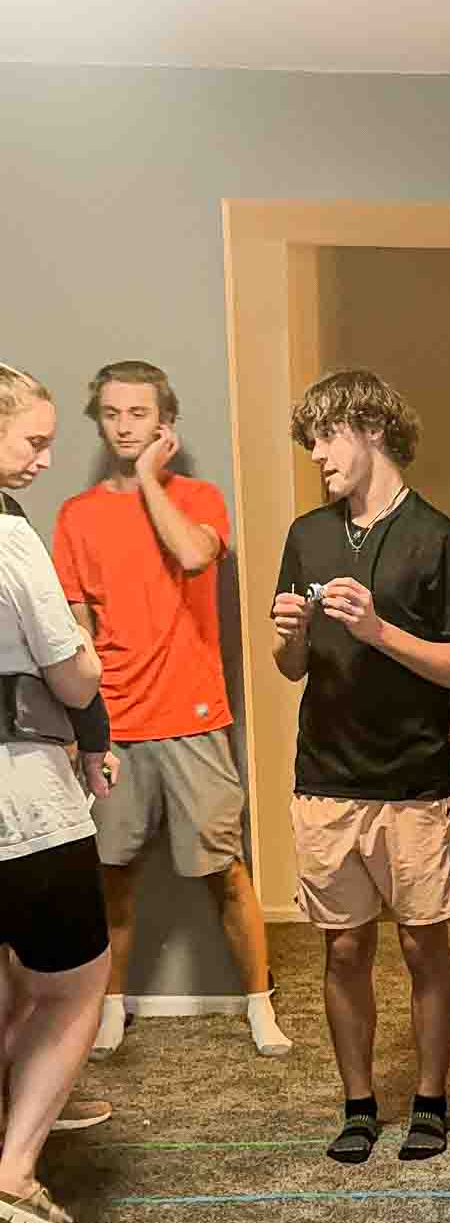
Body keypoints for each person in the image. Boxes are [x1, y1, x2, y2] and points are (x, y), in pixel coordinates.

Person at [273, 368, 450, 1164]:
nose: (318, 455)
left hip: (412, 783)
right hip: (324, 778)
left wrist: (382, 630)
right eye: (311, 442)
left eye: (326, 437)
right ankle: (358, 1102)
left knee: (424, 947)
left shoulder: (443, 539)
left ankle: (430, 1099)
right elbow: (289, 665)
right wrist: (290, 633)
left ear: (369, 428)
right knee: (341, 949)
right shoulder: (308, 534)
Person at [52, 359, 289, 1059]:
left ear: (165, 425)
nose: (125, 426)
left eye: (140, 414)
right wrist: (80, 728)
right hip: (115, 728)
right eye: (114, 414)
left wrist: (152, 481)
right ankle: (111, 1008)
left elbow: (191, 555)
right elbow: (75, 632)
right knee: (114, 875)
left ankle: (259, 1006)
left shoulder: (201, 497)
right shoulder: (76, 515)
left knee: (226, 871)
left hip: (194, 719)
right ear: (100, 419)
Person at [0, 364, 114, 1223]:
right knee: (73, 986)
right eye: (33, 439)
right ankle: (15, 1172)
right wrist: (89, 669)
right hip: (25, 806)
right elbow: (73, 672)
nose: (45, 457)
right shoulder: (12, 535)